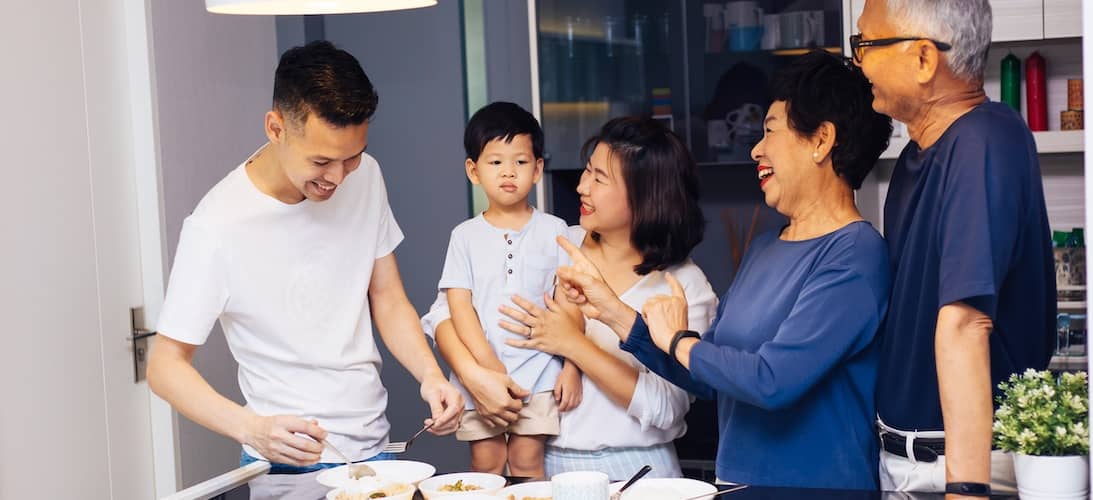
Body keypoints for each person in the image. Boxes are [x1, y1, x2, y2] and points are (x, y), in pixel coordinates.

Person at [544, 51, 894, 489]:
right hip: (739, 483)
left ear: (821, 141)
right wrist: (610, 310)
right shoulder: (767, 247)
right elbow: (707, 375)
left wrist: (678, 340)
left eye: (769, 131)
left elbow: (771, 381)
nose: (756, 149)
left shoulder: (855, 255)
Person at [146, 41, 463, 497]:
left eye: (350, 156)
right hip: (285, 467)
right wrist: (250, 429)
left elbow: (388, 299)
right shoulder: (216, 225)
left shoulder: (366, 176)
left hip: (374, 453)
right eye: (320, 161)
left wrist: (430, 375)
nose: (337, 177)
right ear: (276, 127)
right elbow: (164, 365)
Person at [424, 116, 717, 480]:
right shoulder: (556, 240)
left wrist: (573, 346)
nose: (581, 186)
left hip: (637, 470)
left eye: (599, 178)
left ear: (644, 194)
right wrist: (474, 375)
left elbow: (666, 408)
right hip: (542, 466)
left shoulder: (681, 286)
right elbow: (443, 315)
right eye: (586, 172)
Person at [852, 0, 1055, 495]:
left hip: (956, 465)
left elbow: (967, 321)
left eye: (866, 45)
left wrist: (964, 490)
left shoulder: (985, 139)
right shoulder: (917, 157)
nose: (858, 62)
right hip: (907, 461)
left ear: (923, 59)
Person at [436, 101, 582, 477]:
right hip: (481, 375)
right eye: (495, 162)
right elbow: (458, 305)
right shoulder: (464, 236)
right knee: (486, 463)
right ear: (473, 170)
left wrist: (572, 368)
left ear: (537, 170)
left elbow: (568, 304)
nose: (508, 172)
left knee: (527, 461)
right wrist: (488, 364)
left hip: (539, 373)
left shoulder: (555, 230)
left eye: (520, 162)